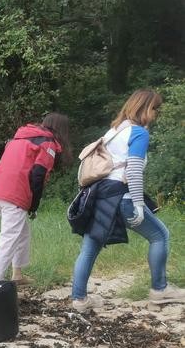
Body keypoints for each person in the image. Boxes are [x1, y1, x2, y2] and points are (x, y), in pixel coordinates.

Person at [70, 89, 184, 312]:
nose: (156, 114)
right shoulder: (139, 133)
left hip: (100, 196)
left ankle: (79, 299)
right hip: (122, 197)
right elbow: (132, 170)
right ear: (144, 108)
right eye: (155, 108)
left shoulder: (114, 131)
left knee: (90, 247)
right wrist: (139, 204)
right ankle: (160, 290)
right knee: (160, 236)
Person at [0, 113, 70, 284]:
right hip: (15, 194)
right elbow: (38, 175)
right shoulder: (48, 143)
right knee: (9, 239)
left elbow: (5, 167)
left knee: (22, 233)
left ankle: (17, 275)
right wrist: (34, 205)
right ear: (61, 129)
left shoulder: (18, 139)